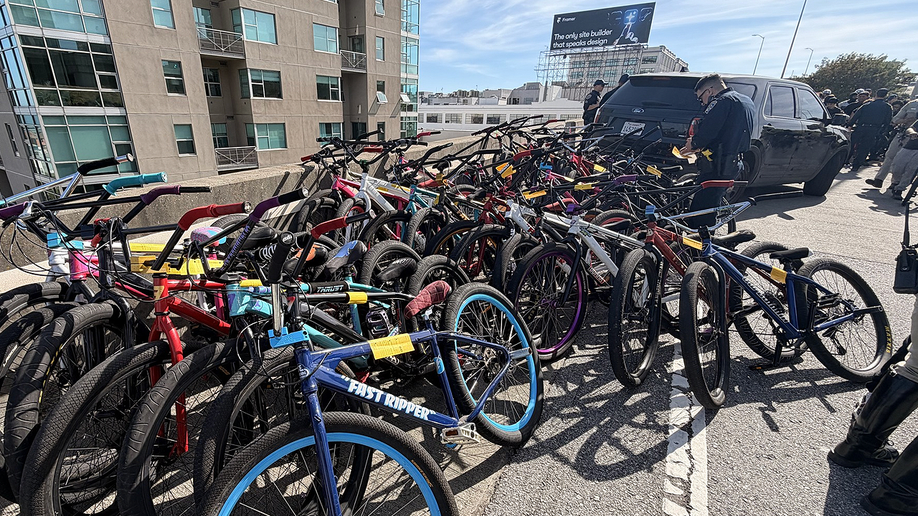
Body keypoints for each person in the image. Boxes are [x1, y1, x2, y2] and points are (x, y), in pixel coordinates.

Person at [679, 73, 755, 228]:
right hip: (735, 162)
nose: (702, 103)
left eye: (701, 98)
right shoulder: (746, 101)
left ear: (710, 91)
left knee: (700, 211)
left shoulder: (721, 102)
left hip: (718, 164)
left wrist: (692, 144)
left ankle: (701, 248)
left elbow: (709, 131)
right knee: (713, 202)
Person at [867, 97, 918, 188]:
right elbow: (895, 119)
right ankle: (879, 179)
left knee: (907, 164)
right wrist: (906, 120)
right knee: (890, 155)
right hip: (903, 135)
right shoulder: (912, 104)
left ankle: (896, 183)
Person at [847, 88, 893, 172]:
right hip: (874, 129)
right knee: (864, 147)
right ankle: (856, 165)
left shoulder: (867, 105)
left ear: (876, 94)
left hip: (861, 127)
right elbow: (888, 121)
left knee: (852, 144)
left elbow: (856, 115)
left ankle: (845, 160)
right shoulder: (887, 107)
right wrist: (882, 131)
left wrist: (850, 125)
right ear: (886, 96)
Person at [887, 122, 918, 200]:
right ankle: (895, 182)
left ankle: (900, 189)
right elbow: (910, 128)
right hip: (910, 146)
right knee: (897, 166)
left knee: (911, 170)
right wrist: (912, 133)